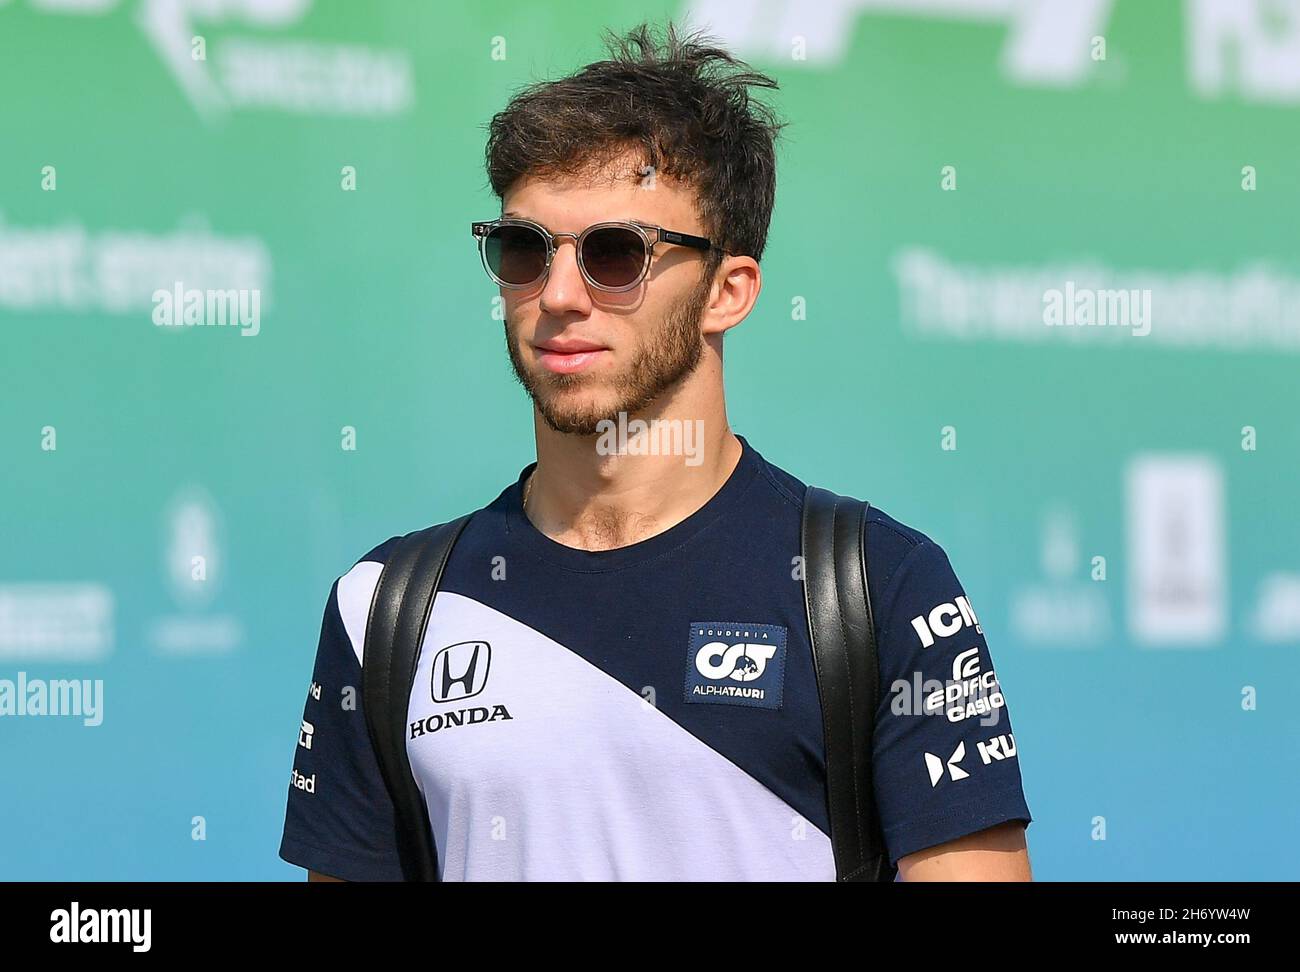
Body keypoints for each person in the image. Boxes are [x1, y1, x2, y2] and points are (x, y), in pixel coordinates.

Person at [279, 20, 1032, 882]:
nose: (559, 295)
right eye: (525, 249)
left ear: (728, 291)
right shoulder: (385, 608)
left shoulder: (877, 586)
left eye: (615, 253)